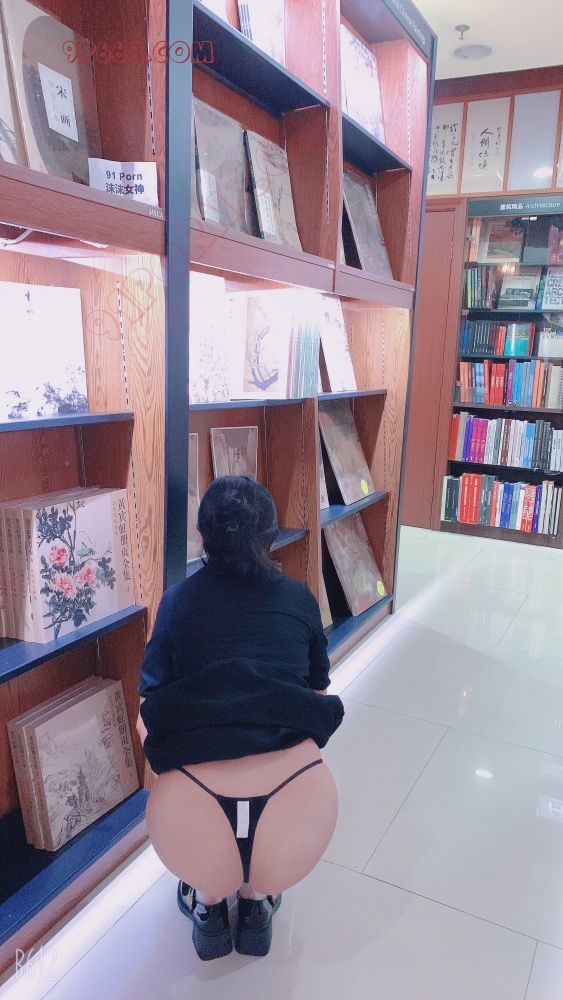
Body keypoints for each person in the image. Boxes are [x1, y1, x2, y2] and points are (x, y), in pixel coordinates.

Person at [136, 476, 344, 961]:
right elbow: (317, 691)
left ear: (202, 537)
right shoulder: (300, 600)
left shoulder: (177, 601)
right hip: (294, 786)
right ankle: (255, 903)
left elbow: (151, 694)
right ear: (271, 535)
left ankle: (208, 905)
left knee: (148, 715)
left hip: (192, 787)